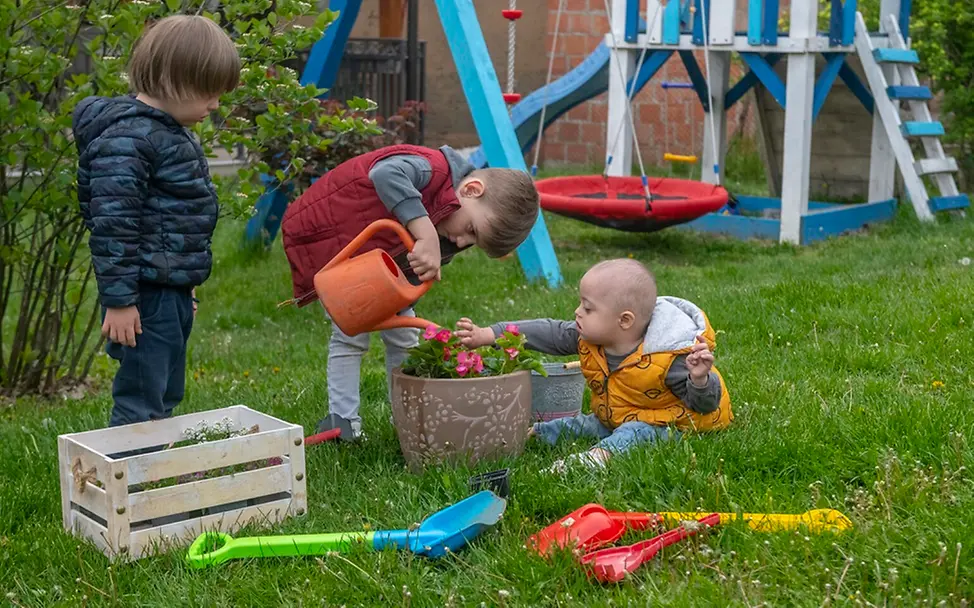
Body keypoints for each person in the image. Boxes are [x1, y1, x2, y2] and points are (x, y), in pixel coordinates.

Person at [280, 144, 541, 440]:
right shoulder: (432, 168)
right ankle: (344, 426)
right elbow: (385, 173)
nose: (462, 240)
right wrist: (425, 232)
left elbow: (411, 264)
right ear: (471, 190)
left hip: (377, 268)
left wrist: (410, 291)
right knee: (350, 336)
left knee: (404, 337)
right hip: (333, 238)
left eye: (473, 242)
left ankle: (405, 422)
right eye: (470, 228)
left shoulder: (449, 227)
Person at [73, 15, 240, 428]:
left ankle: (154, 468)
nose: (215, 104)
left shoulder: (168, 133)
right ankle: (129, 481)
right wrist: (120, 301)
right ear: (173, 81)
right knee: (141, 395)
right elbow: (113, 224)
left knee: (165, 388)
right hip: (143, 294)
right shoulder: (129, 140)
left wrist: (187, 286)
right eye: (209, 93)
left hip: (170, 292)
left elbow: (174, 222)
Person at [455, 258, 733, 473]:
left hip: (675, 425)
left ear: (624, 321)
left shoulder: (669, 356)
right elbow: (545, 332)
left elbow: (705, 406)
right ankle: (532, 435)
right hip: (617, 416)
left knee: (635, 433)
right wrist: (489, 334)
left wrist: (698, 380)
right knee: (587, 425)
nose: (577, 312)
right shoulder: (590, 337)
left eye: (588, 308)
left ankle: (596, 459)